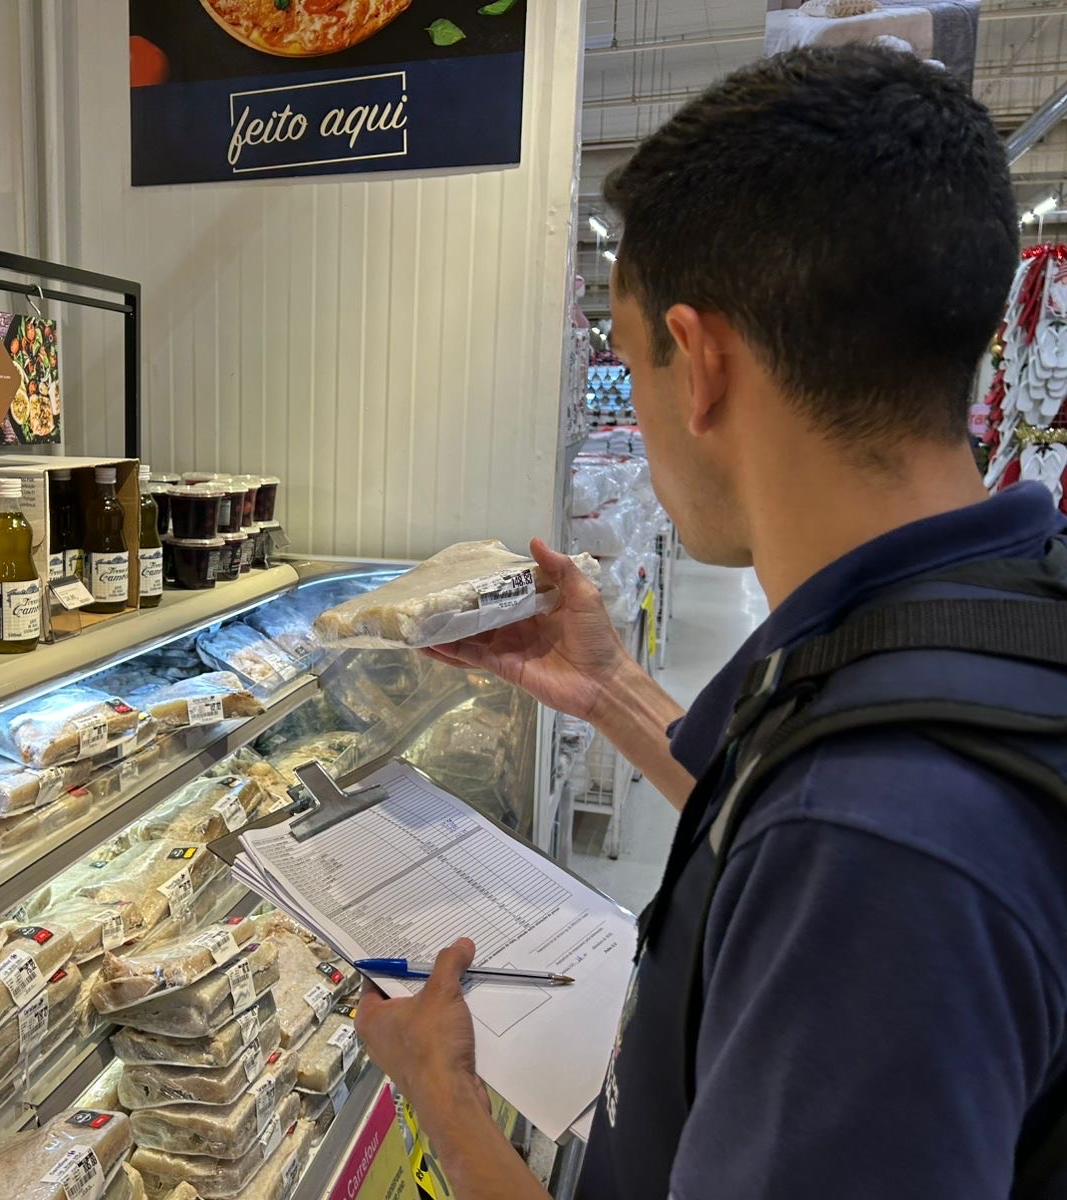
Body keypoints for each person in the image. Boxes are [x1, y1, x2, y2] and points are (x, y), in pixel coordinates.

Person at [355, 44, 1067, 1200]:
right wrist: (612, 696)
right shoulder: (997, 597)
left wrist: (440, 1088)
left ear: (697, 364)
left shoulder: (875, 860)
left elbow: (852, 834)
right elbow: (802, 796)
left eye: (632, 362)